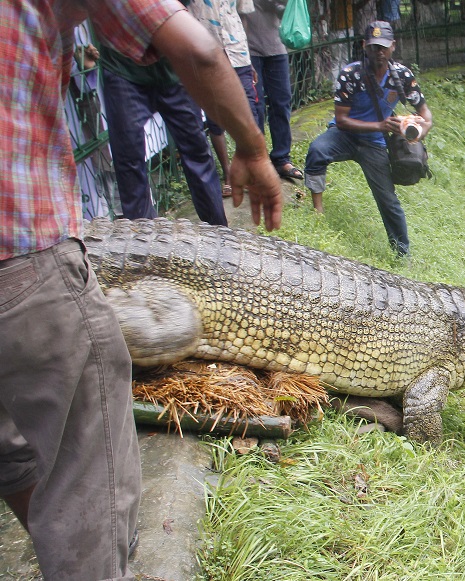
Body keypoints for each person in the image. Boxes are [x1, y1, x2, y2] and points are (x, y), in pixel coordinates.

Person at [0, 2, 282, 579]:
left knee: (12, 443)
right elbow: (198, 48)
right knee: (90, 481)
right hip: (21, 248)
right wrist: (254, 149)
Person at [303, 21, 433, 257]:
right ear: (364, 46)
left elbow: (426, 115)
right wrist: (380, 125)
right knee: (317, 150)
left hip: (374, 144)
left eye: (383, 47)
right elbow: (341, 120)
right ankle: (317, 211)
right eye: (373, 47)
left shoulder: (402, 76)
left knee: (388, 199)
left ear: (393, 46)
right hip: (345, 135)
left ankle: (402, 253)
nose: (379, 52)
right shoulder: (350, 74)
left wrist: (416, 133)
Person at [99, 43, 230, 225]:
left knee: (198, 152)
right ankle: (143, 243)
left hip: (175, 65)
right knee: (128, 162)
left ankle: (219, 233)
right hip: (122, 65)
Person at [187, 0, 261, 197]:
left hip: (238, 52)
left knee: (248, 113)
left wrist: (249, 60)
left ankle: (248, 170)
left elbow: (242, 15)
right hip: (207, 53)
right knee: (215, 117)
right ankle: (229, 175)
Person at [241, 0, 304, 182]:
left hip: (277, 46)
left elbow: (288, 8)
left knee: (281, 102)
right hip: (248, 49)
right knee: (255, 107)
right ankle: (258, 162)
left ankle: (281, 158)